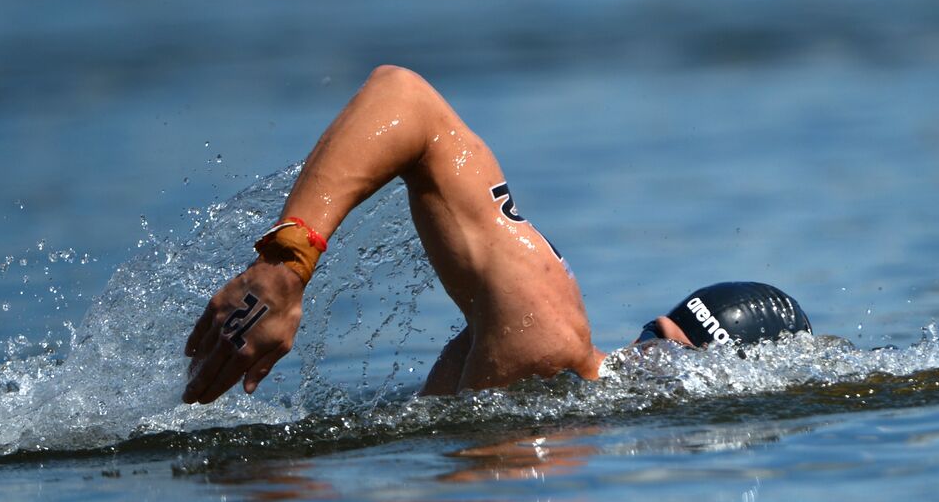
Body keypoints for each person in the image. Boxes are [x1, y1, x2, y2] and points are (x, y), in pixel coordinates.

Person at [183, 66, 809, 404]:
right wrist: (287, 262)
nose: (650, 362)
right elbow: (405, 98)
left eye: (675, 360)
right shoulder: (547, 334)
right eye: (655, 340)